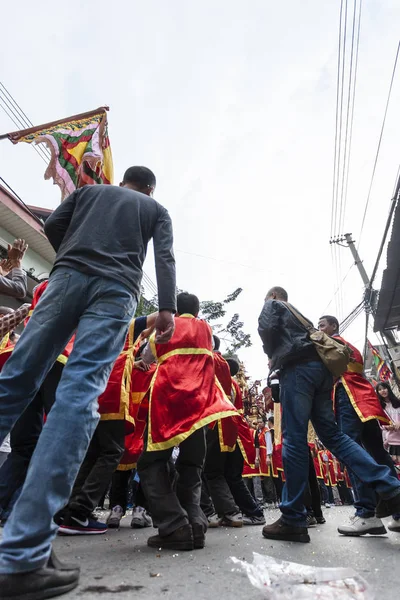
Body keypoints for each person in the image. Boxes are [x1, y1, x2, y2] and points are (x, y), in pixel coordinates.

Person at [0, 166, 176, 600]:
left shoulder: (89, 192)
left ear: (123, 183)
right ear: (150, 188)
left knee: (14, 383)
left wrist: (71, 256)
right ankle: (25, 549)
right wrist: (167, 309)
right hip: (116, 289)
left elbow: (52, 224)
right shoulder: (155, 208)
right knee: (78, 398)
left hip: (65, 277)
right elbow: (165, 259)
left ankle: (30, 545)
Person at [258, 286, 400, 543]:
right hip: (321, 374)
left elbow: (266, 330)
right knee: (334, 437)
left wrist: (272, 356)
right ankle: (391, 486)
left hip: (297, 371)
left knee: (293, 439)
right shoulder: (303, 319)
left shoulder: (274, 304)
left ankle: (292, 518)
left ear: (273, 297)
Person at [138, 292, 237, 551]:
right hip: (200, 404)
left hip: (168, 401)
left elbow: (147, 358)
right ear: (197, 309)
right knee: (192, 465)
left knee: (151, 462)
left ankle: (173, 524)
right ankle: (194, 523)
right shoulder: (206, 329)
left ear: (171, 309)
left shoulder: (167, 325)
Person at [318, 315, 400, 536]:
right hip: (364, 397)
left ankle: (366, 514)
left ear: (334, 326)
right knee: (376, 452)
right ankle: (397, 513)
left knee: (351, 451)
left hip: (347, 395)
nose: (319, 329)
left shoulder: (331, 343)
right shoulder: (348, 345)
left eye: (322, 325)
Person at [376, 381, 400, 465]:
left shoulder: (398, 403)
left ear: (388, 389)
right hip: (391, 440)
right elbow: (379, 424)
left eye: (384, 388)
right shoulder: (379, 407)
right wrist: (386, 427)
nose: (383, 391)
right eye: (380, 389)